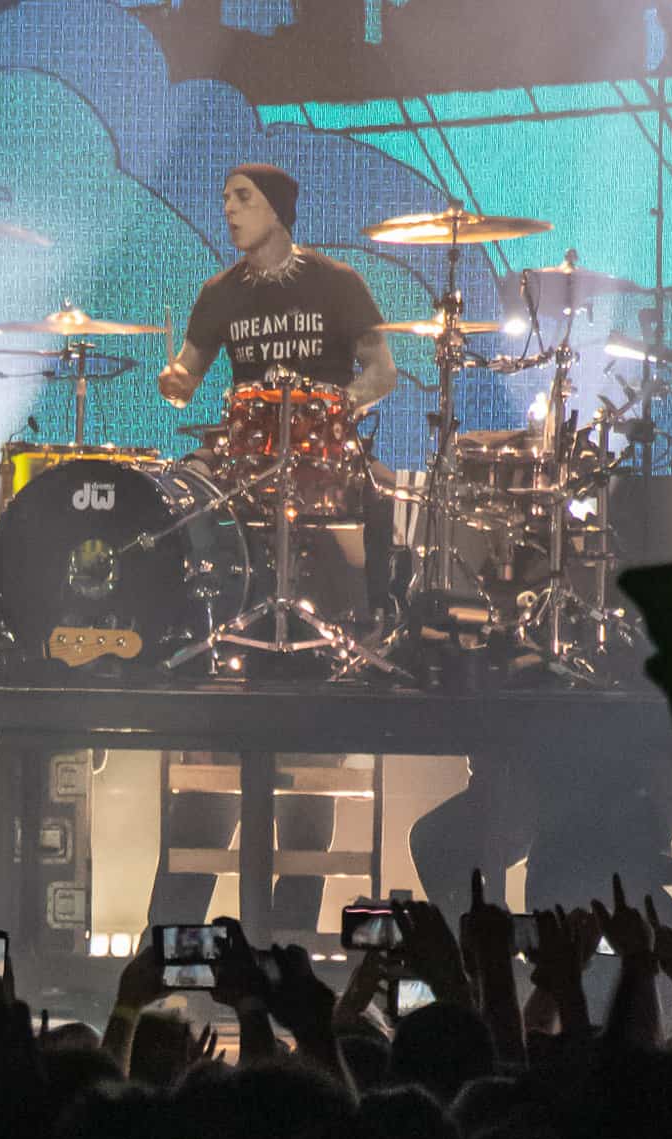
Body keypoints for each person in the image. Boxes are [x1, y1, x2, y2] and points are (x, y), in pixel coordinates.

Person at [147, 164, 399, 932]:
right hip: (245, 485)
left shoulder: (337, 283)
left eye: (242, 197)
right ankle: (171, 943)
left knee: (311, 763)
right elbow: (188, 373)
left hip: (326, 474)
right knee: (214, 764)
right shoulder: (219, 293)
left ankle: (286, 941)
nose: (227, 208)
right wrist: (175, 378)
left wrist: (335, 408)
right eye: (225, 196)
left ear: (278, 209)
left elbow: (382, 371)